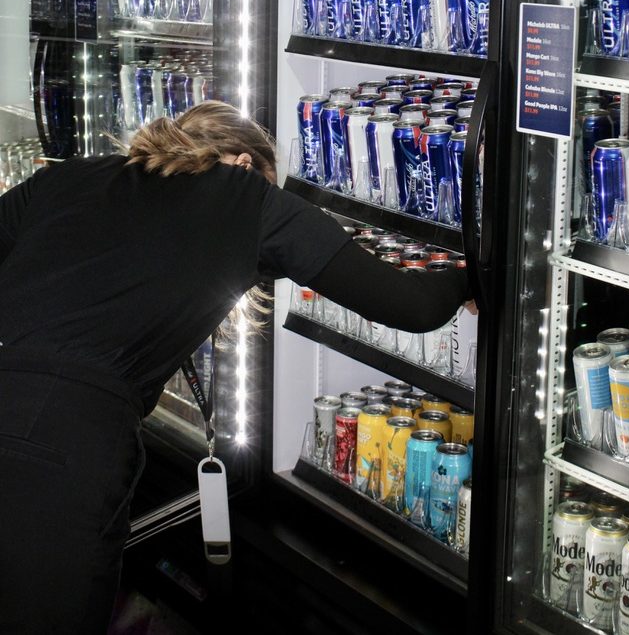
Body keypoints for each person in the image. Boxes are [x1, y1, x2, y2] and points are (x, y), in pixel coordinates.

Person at [0, 100, 474, 634]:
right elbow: (410, 307)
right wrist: (469, 274)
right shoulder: (251, 200)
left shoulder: (69, 177)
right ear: (245, 165)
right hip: (70, 448)